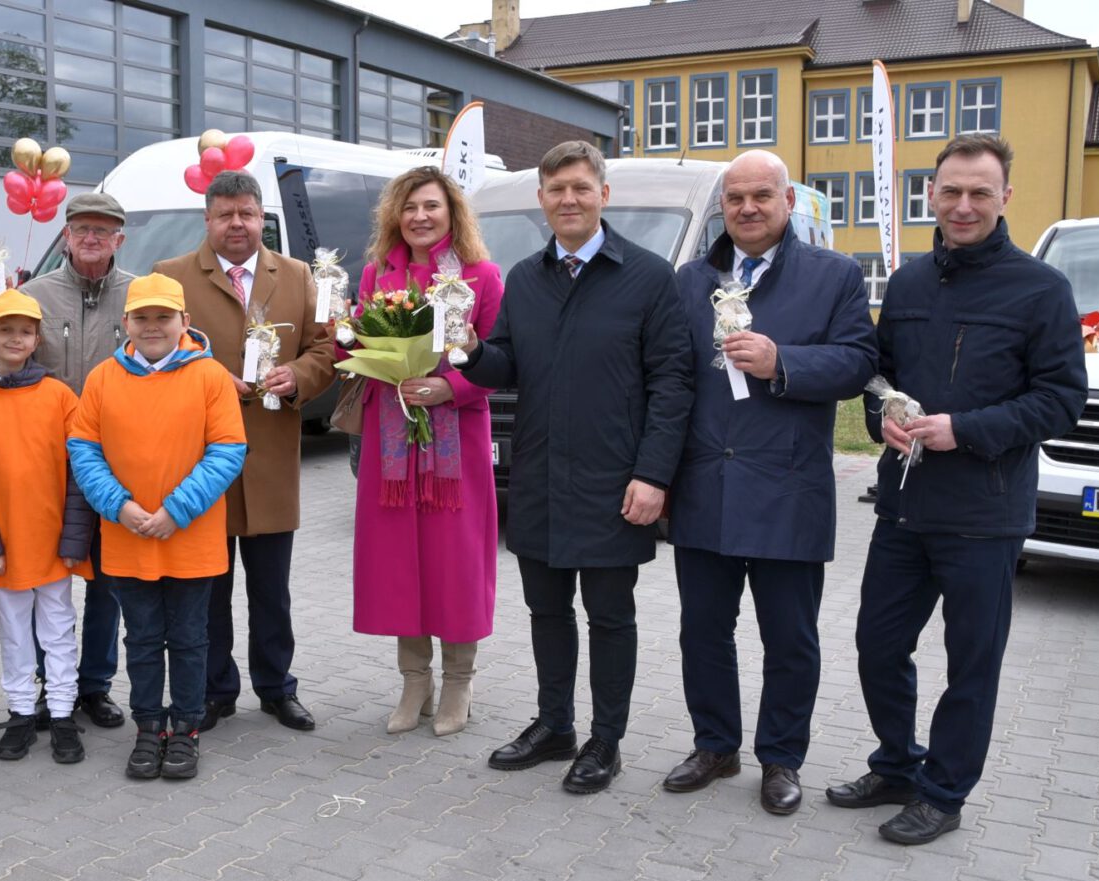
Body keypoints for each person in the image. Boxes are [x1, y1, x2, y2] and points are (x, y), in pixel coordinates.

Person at [828, 134, 1088, 844]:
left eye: (980, 192)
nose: (964, 205)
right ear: (931, 195)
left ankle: (943, 793)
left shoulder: (1041, 289)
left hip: (985, 512)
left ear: (1005, 197)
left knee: (971, 664)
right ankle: (897, 764)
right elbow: (878, 376)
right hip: (904, 506)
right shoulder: (908, 283)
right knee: (878, 645)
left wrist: (965, 429)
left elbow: (1062, 399)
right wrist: (881, 418)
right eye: (951, 191)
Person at [456, 140, 694, 794]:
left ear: (603, 195)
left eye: (581, 188)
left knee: (610, 616)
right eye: (556, 189)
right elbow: (504, 365)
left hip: (614, 482)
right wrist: (470, 348)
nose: (569, 199)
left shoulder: (648, 277)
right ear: (542, 199)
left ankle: (605, 740)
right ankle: (554, 724)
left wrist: (654, 474)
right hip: (539, 477)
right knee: (546, 610)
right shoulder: (525, 278)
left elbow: (672, 383)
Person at [662, 150, 876, 814]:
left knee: (789, 639)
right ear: (722, 207)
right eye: (735, 198)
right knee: (703, 631)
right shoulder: (691, 280)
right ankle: (715, 746)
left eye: (761, 196)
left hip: (788, 488)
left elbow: (858, 363)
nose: (748, 208)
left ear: (788, 202)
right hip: (705, 485)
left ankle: (781, 757)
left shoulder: (834, 275)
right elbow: (670, 378)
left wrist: (783, 361)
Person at [153, 170, 335, 733]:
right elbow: (154, 350)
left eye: (247, 213)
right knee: (208, 590)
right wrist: (205, 376)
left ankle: (278, 688)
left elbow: (326, 346)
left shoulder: (298, 275)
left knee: (272, 591)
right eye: (225, 214)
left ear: (262, 218)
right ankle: (215, 690)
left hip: (271, 458)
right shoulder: (171, 276)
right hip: (201, 462)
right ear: (207, 219)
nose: (237, 224)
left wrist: (299, 374)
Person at [68, 273, 247, 779]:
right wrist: (118, 506)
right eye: (141, 317)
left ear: (184, 321)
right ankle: (148, 726)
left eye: (163, 317)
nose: (152, 326)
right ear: (125, 322)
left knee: (190, 639)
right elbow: (83, 449)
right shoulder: (103, 378)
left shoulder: (210, 376)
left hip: (190, 537)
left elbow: (228, 450)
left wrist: (176, 511)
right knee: (142, 639)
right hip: (127, 535)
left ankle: (186, 727)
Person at [349, 167, 502, 737]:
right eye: (409, 206)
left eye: (431, 206)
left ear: (451, 213)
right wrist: (356, 348)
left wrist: (449, 387)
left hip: (456, 445)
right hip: (392, 444)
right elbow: (361, 347)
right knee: (398, 561)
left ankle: (459, 682)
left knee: (454, 561)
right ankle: (415, 680)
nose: (419, 217)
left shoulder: (482, 276)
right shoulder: (376, 275)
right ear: (395, 214)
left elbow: (500, 362)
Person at [0, 289, 95, 764]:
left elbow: (79, 473)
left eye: (25, 331)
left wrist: (74, 539)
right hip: (4, 544)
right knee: (13, 630)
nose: (15, 338)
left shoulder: (59, 396)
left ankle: (63, 712)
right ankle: (21, 711)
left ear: (37, 339)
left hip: (54, 542)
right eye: (4, 330)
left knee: (58, 628)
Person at [21, 192, 135, 731]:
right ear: (66, 236)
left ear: (119, 239)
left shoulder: (139, 295)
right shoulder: (33, 296)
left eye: (102, 230)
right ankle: (52, 684)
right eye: (82, 229)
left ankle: (94, 685)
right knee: (49, 580)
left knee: (107, 582)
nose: (91, 238)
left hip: (116, 463)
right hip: (47, 463)